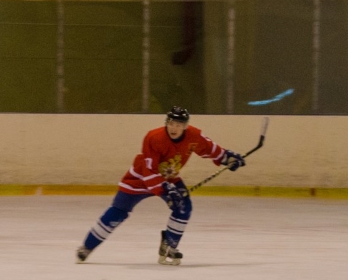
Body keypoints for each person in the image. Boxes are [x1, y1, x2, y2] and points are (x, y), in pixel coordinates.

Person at [76, 106, 246, 266]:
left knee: (183, 206)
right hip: (140, 178)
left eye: (179, 124)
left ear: (185, 126)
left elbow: (210, 149)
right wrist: (166, 189)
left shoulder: (194, 136)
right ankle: (87, 247)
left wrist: (228, 158)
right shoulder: (154, 137)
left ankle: (170, 246)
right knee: (118, 210)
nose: (174, 127)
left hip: (169, 178)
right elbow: (149, 171)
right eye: (171, 123)